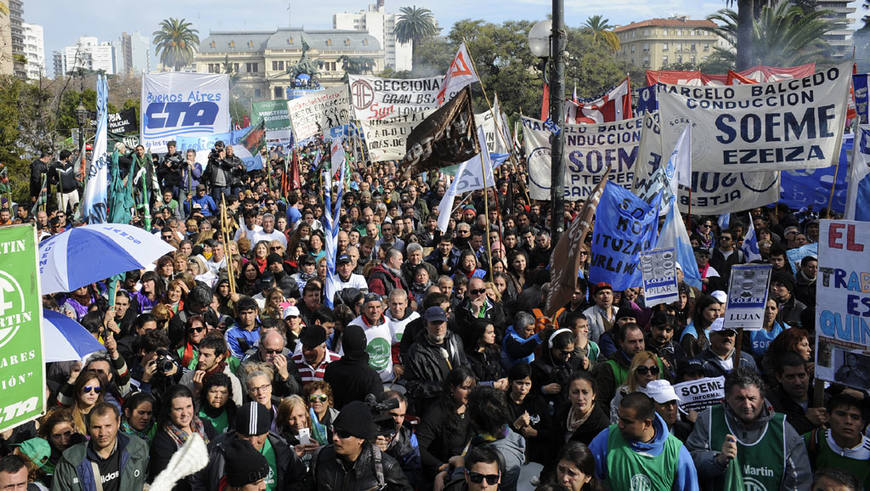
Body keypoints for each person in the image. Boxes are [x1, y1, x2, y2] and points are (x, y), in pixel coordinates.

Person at [686, 367, 812, 491]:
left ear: (762, 399)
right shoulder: (709, 419)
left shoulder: (783, 431)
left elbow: (799, 482)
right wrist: (718, 460)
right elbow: (690, 462)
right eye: (740, 399)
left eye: (752, 399)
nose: (747, 405)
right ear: (727, 398)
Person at [588, 392, 699, 491]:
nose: (620, 424)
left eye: (627, 421)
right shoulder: (606, 439)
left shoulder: (676, 453)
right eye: (619, 418)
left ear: (647, 424)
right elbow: (586, 478)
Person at [193, 401, 306, 491]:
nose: (252, 442)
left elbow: (297, 479)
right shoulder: (217, 448)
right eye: (246, 436)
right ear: (237, 433)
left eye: (258, 436)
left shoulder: (281, 449)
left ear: (267, 433)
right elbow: (197, 478)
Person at [305, 401, 412, 489]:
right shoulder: (320, 458)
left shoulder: (386, 467)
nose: (335, 438)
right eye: (335, 431)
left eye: (344, 434)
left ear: (360, 439)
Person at [51, 402, 149, 491]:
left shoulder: (138, 447)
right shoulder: (70, 461)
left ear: (118, 422)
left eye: (108, 426)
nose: (103, 433)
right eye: (96, 427)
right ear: (88, 427)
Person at [148, 385, 216, 490]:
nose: (185, 413)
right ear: (169, 411)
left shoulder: (205, 425)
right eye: (179, 409)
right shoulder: (162, 441)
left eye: (188, 406)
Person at [416, 367, 476, 481]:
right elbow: (418, 447)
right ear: (452, 388)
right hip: (446, 473)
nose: (470, 392)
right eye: (465, 388)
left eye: (472, 388)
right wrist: (441, 467)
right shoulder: (436, 413)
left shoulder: (473, 407)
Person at [405, 306, 468, 410]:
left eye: (441, 322)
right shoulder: (416, 351)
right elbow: (412, 386)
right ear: (426, 325)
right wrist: (443, 388)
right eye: (434, 323)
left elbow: (465, 366)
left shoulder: (455, 341)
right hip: (433, 406)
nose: (439, 327)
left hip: (458, 403)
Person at [804, 393, 870, 489]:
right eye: (841, 414)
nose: (848, 421)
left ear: (863, 424)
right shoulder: (812, 440)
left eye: (855, 417)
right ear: (827, 417)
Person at [591, 322, 646, 414]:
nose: (638, 346)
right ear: (621, 343)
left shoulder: (655, 363)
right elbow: (601, 404)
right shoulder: (608, 368)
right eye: (632, 342)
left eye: (641, 341)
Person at [323, 324, 382, 409]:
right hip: (360, 420)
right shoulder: (371, 376)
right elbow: (375, 406)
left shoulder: (331, 369)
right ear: (364, 343)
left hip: (335, 419)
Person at [767, 352, 826, 435]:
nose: (798, 382)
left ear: (808, 374)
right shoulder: (770, 403)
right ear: (779, 377)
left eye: (801, 375)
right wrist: (807, 421)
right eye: (791, 377)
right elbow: (776, 434)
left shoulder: (824, 398)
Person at [348, 292, 396, 383]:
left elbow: (395, 346)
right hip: (366, 382)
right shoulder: (354, 326)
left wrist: (397, 364)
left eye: (378, 307)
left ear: (382, 308)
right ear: (363, 309)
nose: (375, 311)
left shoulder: (388, 322)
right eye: (370, 307)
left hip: (389, 380)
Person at [608, 351, 663, 424]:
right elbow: (615, 419)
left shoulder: (664, 390)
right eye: (643, 370)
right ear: (634, 372)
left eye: (654, 369)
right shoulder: (624, 392)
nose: (649, 374)